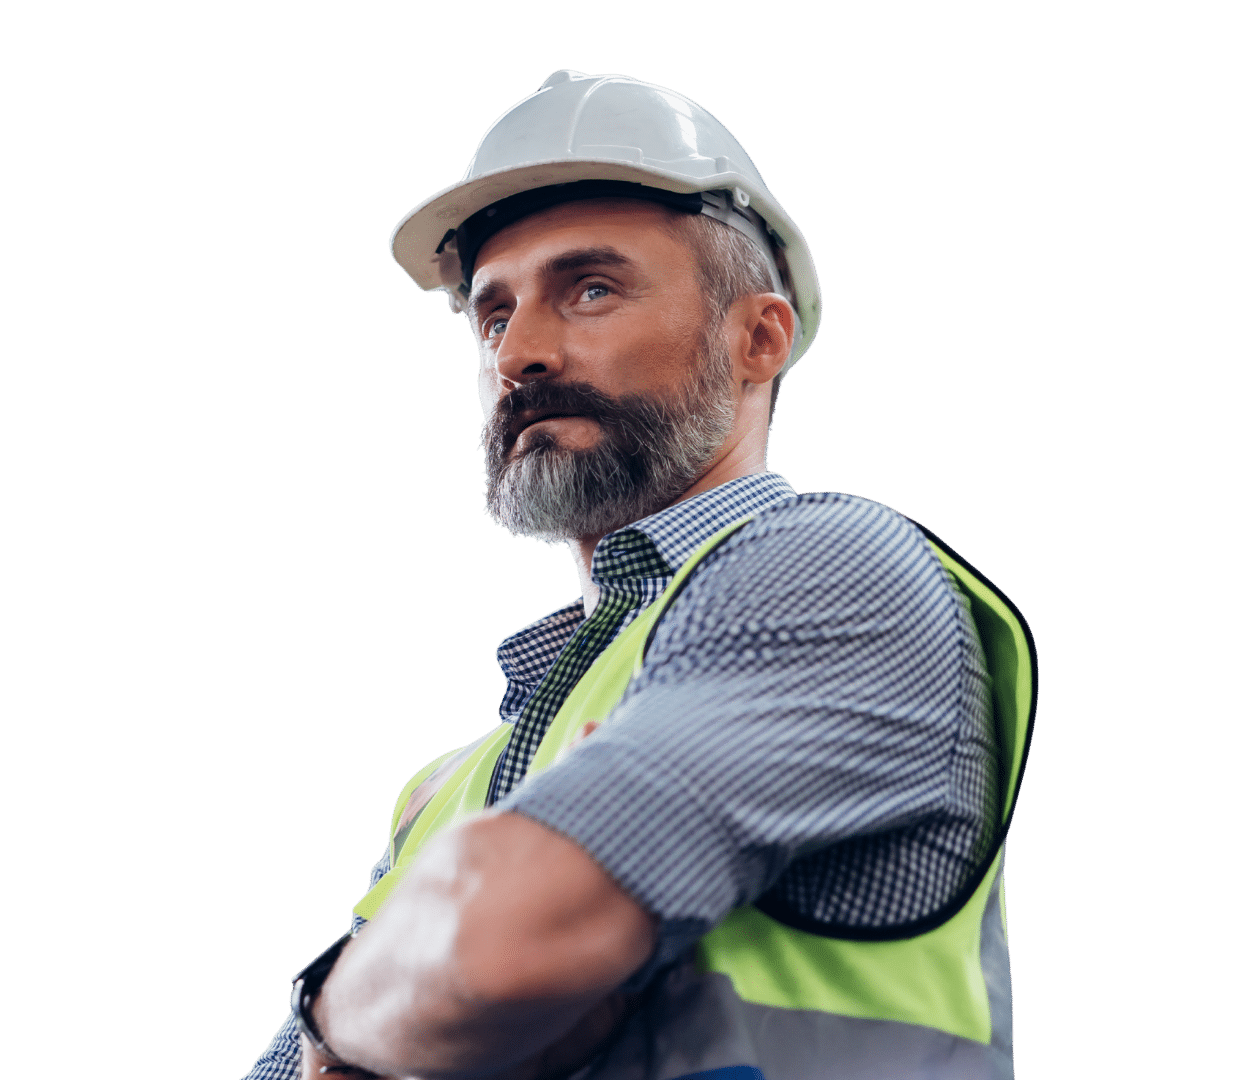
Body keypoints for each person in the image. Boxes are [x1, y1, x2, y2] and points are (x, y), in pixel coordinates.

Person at [240, 71, 1037, 1080]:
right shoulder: (441, 794)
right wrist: (364, 1011)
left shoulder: (841, 573)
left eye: (592, 289)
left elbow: (498, 954)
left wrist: (357, 1016)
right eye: (492, 316)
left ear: (760, 338)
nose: (520, 352)